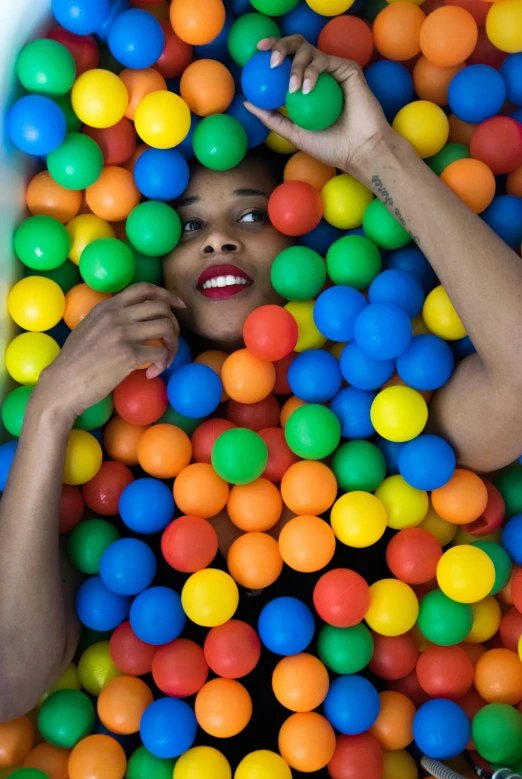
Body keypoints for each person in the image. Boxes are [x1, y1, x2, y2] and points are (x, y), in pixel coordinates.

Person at [1, 35, 522, 729]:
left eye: (250, 214)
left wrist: (375, 154)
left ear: (302, 232)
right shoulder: (114, 459)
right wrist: (51, 407)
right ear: (149, 259)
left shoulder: (386, 411)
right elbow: (9, 679)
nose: (218, 239)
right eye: (187, 224)